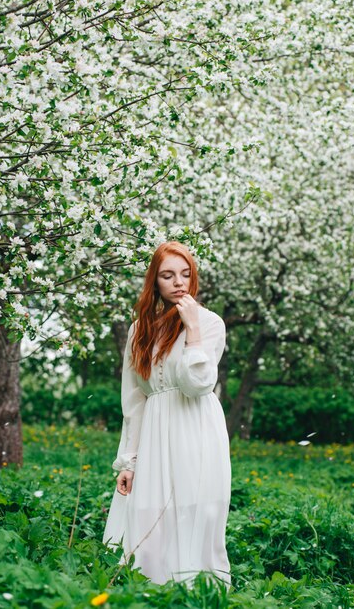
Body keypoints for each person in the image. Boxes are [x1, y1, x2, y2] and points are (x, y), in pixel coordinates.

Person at [102, 241, 231, 587]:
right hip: (155, 432)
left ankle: (198, 592)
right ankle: (149, 590)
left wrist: (192, 330)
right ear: (154, 281)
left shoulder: (209, 323)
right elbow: (134, 401)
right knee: (147, 513)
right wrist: (129, 461)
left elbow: (198, 384)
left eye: (186, 275)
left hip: (195, 428)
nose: (178, 282)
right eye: (168, 275)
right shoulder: (138, 330)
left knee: (193, 509)